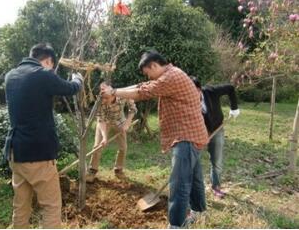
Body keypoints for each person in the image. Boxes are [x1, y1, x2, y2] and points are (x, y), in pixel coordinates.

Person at [101, 51, 209, 228]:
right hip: (194, 134)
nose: (148, 76)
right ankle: (198, 212)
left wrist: (113, 92)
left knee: (179, 184)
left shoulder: (171, 78)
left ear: (154, 66)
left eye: (147, 72)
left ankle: (176, 225)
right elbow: (142, 85)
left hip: (186, 137)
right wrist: (116, 93)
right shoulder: (171, 73)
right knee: (195, 177)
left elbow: (144, 92)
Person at [3, 43, 83, 228]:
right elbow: (70, 88)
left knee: (21, 206)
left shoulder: (11, 76)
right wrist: (78, 79)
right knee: (51, 207)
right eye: (52, 66)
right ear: (48, 61)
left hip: (16, 152)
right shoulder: (43, 74)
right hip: (38, 154)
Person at [191, 77, 240, 199]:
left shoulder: (211, 91)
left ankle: (216, 186)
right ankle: (192, 188)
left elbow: (230, 88)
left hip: (216, 129)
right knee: (191, 159)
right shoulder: (186, 100)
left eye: (192, 91)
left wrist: (234, 108)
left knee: (216, 160)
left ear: (198, 89)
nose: (189, 94)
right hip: (197, 132)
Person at [86, 82, 137, 182]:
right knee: (97, 146)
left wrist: (127, 123)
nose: (103, 100)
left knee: (123, 148)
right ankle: (92, 170)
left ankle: (118, 170)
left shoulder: (123, 95)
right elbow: (101, 120)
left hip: (119, 121)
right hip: (105, 122)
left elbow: (133, 109)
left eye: (106, 97)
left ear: (112, 93)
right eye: (102, 97)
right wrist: (104, 137)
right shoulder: (100, 101)